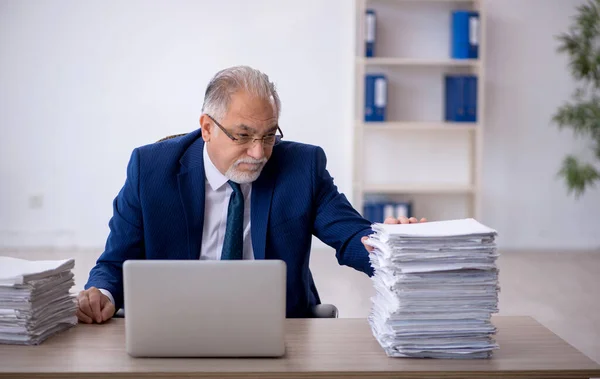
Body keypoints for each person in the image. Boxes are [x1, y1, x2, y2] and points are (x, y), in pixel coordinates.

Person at [77, 65, 426, 324]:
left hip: (277, 325)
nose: (258, 153)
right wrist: (101, 294)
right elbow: (114, 262)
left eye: (269, 135)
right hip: (175, 325)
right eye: (242, 136)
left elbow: (350, 234)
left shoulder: (301, 166)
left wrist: (391, 246)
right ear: (207, 128)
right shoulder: (150, 170)